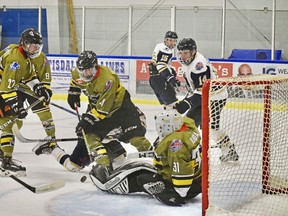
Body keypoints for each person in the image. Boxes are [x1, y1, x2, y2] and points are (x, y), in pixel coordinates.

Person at [34, 50, 152, 172]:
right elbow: (75, 81)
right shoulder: (77, 72)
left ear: (95, 66)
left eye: (89, 70)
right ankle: (102, 166)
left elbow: (103, 110)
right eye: (83, 70)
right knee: (75, 164)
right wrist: (74, 92)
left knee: (136, 138)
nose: (86, 73)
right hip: (97, 109)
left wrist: (87, 120)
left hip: (121, 108)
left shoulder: (107, 80)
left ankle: (156, 162)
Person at [89, 109, 202, 206]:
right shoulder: (189, 128)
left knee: (142, 179)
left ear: (170, 126)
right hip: (197, 180)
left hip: (186, 186)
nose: (160, 129)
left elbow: (182, 171)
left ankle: (108, 185)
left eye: (162, 126)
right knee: (141, 166)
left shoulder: (176, 146)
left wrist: (178, 194)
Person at [173, 38, 239, 162]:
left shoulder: (199, 65)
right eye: (180, 53)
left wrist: (187, 103)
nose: (182, 56)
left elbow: (202, 92)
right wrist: (188, 99)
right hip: (206, 95)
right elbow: (196, 89)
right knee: (190, 122)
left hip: (216, 97)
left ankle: (228, 150)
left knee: (211, 126)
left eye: (185, 53)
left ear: (193, 52)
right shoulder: (189, 61)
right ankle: (189, 150)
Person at [0, 28, 52, 175]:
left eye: (38, 46)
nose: (36, 48)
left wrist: (39, 88)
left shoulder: (23, 56)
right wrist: (16, 106)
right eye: (33, 45)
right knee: (9, 123)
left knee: (10, 123)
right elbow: (5, 89)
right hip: (2, 89)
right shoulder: (16, 60)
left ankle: (4, 156)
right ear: (24, 44)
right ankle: (6, 161)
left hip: (2, 88)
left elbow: (28, 77)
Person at [148, 31, 181, 108]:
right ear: (166, 40)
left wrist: (171, 73)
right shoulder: (164, 49)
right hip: (160, 79)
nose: (173, 43)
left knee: (167, 106)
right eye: (171, 40)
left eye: (174, 41)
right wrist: (171, 78)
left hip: (156, 79)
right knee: (172, 104)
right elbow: (160, 65)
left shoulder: (161, 47)